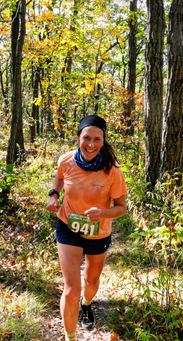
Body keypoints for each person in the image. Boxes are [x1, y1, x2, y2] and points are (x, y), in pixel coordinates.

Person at [46, 115, 127, 341]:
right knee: (71, 290)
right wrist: (54, 195)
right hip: (68, 227)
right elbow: (60, 178)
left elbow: (121, 207)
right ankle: (70, 337)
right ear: (79, 137)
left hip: (98, 232)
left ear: (103, 141)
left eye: (97, 139)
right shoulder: (66, 160)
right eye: (87, 138)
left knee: (90, 283)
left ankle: (87, 304)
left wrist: (102, 213)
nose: (91, 144)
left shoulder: (112, 170)